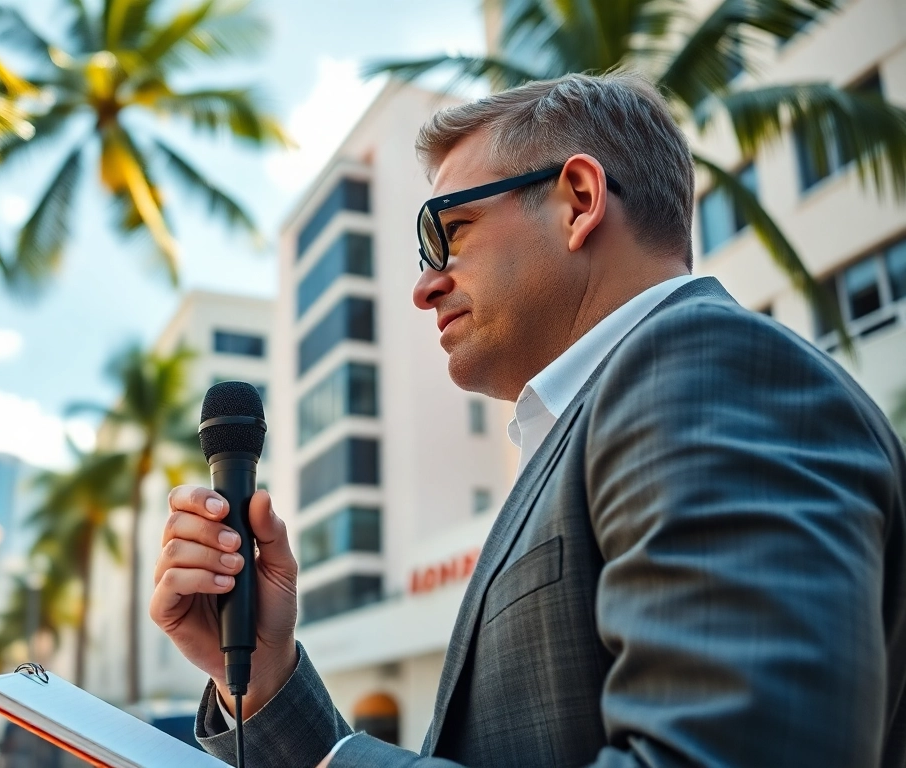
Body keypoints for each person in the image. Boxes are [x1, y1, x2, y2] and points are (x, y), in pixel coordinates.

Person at [151, 72, 906, 767]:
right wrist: (261, 675)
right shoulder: (611, 411)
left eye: (449, 230)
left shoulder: (707, 366)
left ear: (579, 199)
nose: (424, 286)